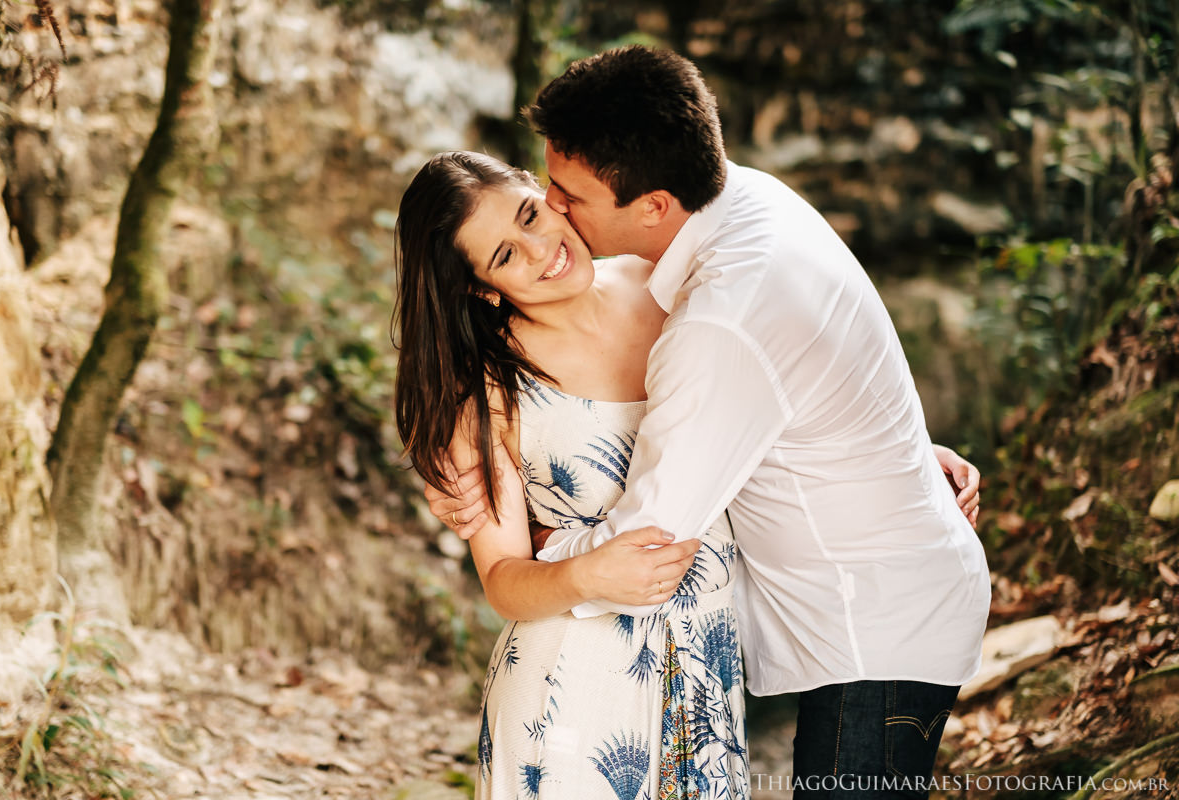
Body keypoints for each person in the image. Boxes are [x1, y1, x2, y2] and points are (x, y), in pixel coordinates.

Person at [426, 46, 991, 799]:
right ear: (481, 286)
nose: (554, 223)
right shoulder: (743, 206)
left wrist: (549, 553)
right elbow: (798, 369)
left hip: (851, 630)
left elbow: (655, 530)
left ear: (653, 203)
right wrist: (885, 446)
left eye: (554, 199)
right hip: (583, 687)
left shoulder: (699, 313)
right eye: (511, 243)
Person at [393, 151, 753, 799]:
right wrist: (588, 572)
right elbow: (503, 583)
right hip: (569, 697)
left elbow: (772, 399)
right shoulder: (490, 391)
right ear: (480, 287)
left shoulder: (667, 282)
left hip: (706, 668)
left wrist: (904, 456)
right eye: (504, 256)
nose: (540, 249)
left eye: (530, 216)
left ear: (545, 191)